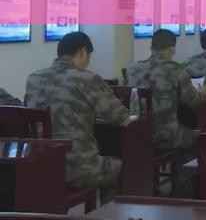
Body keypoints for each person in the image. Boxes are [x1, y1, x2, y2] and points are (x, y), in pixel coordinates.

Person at [25, 32, 131, 198]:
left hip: (41, 165)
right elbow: (121, 117)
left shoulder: (34, 78)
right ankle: (109, 211)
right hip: (79, 168)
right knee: (126, 167)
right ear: (82, 52)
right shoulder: (87, 79)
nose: (88, 62)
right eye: (89, 57)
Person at [128, 29, 201, 149]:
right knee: (200, 134)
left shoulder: (133, 69)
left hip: (139, 133)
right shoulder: (176, 70)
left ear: (151, 48)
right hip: (169, 135)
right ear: (172, 49)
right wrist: (202, 93)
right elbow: (193, 101)